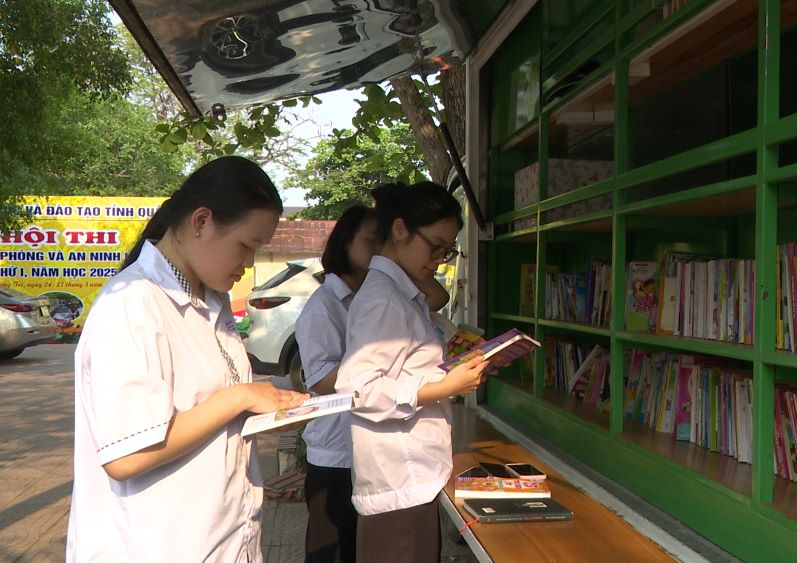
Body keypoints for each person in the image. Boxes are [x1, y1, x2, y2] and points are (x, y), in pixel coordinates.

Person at [67, 156, 310, 562]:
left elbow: (199, 413)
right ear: (201, 222)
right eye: (246, 246)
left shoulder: (208, 302)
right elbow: (127, 455)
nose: (248, 264)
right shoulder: (133, 303)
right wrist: (238, 399)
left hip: (219, 540)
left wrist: (269, 412)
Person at [336, 182, 491, 563]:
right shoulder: (385, 299)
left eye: (447, 250)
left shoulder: (399, 293)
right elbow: (357, 389)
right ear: (400, 229)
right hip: (399, 478)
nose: (439, 259)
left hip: (411, 475)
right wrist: (443, 386)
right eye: (434, 245)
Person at [295, 204, 450, 563]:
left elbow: (438, 298)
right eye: (371, 240)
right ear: (344, 243)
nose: (378, 247)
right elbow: (323, 380)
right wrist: (400, 382)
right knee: (332, 550)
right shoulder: (326, 305)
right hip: (336, 449)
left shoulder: (382, 290)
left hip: (366, 444)